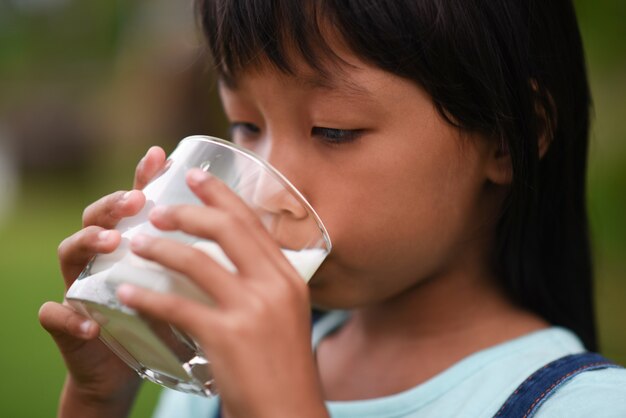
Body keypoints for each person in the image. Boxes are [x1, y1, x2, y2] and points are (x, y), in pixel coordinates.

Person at [39, 0, 626, 417]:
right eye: (246, 124)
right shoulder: (216, 368)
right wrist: (97, 402)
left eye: (334, 130)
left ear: (506, 137)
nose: (268, 193)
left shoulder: (583, 405)